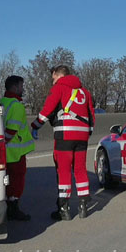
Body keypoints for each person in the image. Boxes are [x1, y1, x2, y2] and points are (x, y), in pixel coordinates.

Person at [30, 65, 95, 220]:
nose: (52, 79)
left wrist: (35, 126)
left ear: (57, 74)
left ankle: (64, 209)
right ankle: (83, 206)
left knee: (64, 171)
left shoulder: (59, 88)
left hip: (65, 135)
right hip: (82, 136)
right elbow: (91, 115)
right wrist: (88, 132)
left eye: (53, 76)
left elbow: (47, 110)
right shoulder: (84, 92)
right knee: (80, 169)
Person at [1, 75, 36, 221]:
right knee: (17, 180)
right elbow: (12, 129)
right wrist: (5, 142)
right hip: (15, 152)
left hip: (3, 152)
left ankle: (8, 204)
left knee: (7, 180)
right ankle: (13, 207)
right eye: (21, 86)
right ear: (15, 87)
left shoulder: (2, 102)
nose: (23, 89)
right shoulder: (17, 106)